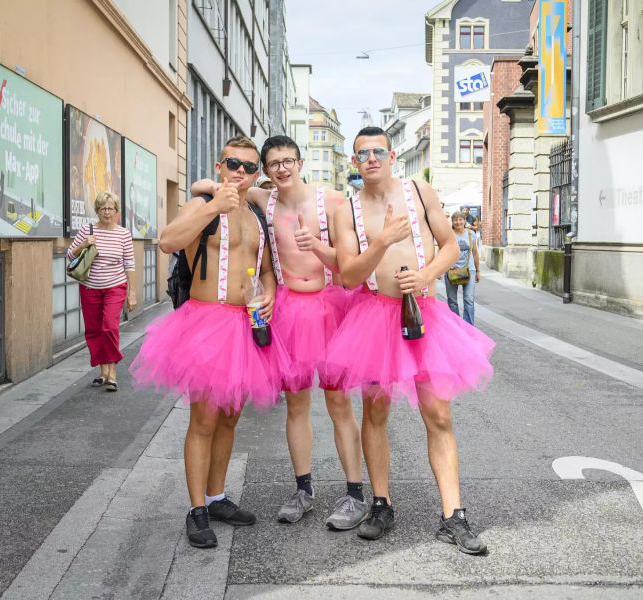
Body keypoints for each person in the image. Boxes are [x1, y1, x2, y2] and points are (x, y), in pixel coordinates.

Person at [323, 126, 495, 555]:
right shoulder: (347, 210)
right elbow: (347, 275)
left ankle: (453, 515)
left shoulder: (420, 191)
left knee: (438, 414)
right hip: (374, 319)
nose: (371, 159)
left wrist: (426, 275)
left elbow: (451, 246)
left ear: (393, 154)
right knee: (375, 411)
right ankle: (381, 503)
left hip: (424, 315)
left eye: (378, 151)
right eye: (363, 154)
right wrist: (382, 240)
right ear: (354, 162)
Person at [190, 135, 368, 531]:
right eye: (274, 164)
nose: (283, 168)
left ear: (300, 162)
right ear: (266, 172)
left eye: (289, 160)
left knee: (339, 404)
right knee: (297, 404)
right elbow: (209, 187)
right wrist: (206, 187)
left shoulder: (332, 201)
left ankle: (355, 493)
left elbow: (349, 264)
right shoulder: (262, 201)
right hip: (288, 312)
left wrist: (318, 246)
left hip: (329, 307)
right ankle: (303, 489)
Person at [131, 135, 298, 549]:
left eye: (248, 167)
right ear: (219, 166)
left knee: (229, 419)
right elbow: (167, 241)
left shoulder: (257, 217)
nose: (241, 173)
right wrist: (211, 205)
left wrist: (270, 293)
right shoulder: (200, 207)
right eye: (233, 164)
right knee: (203, 421)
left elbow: (267, 271)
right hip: (206, 326)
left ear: (256, 172)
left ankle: (217, 496)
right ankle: (196, 509)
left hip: (246, 326)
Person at [67, 191, 136, 392]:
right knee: (94, 330)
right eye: (103, 208)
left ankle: (112, 373)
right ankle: (103, 371)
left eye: (111, 208)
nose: (107, 212)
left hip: (115, 286)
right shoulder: (87, 230)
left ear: (116, 211)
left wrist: (131, 293)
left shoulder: (123, 234)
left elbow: (129, 264)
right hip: (90, 288)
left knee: (109, 327)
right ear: (97, 210)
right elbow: (70, 254)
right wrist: (84, 243)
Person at [444, 212, 480, 325]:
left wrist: (478, 270)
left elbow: (475, 253)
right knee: (452, 300)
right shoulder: (448, 235)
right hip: (452, 271)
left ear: (464, 221)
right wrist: (446, 265)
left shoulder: (471, 234)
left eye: (460, 219)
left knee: (469, 300)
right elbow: (443, 252)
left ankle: (468, 326)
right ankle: (456, 325)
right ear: (452, 222)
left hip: (469, 270)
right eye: (455, 220)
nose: (458, 222)